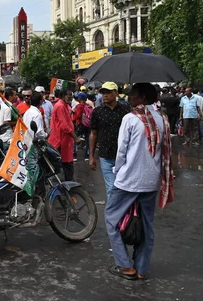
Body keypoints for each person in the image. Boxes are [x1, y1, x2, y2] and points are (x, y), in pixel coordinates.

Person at [105, 83, 172, 281]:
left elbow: (121, 152)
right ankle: (142, 268)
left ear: (142, 96)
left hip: (128, 180)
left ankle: (125, 265)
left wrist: (117, 171)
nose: (129, 97)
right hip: (152, 180)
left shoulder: (130, 118)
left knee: (111, 220)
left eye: (132, 94)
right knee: (147, 224)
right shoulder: (162, 118)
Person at [89, 82, 130, 199]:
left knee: (124, 187)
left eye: (108, 92)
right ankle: (113, 216)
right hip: (105, 155)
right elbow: (93, 134)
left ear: (116, 93)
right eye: (103, 93)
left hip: (124, 155)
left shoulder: (126, 110)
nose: (105, 95)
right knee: (111, 188)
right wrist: (91, 156)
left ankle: (124, 215)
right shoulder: (97, 112)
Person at [49, 89, 80, 181]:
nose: (71, 97)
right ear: (63, 95)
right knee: (66, 164)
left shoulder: (64, 105)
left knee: (66, 164)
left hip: (65, 139)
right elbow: (64, 125)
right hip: (61, 139)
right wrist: (75, 137)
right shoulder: (60, 106)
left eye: (71, 94)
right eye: (69, 94)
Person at [73, 92, 92, 161]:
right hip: (88, 124)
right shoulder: (87, 105)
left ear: (79, 98)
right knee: (88, 140)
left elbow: (78, 116)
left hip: (80, 124)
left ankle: (74, 155)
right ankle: (87, 156)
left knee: (75, 138)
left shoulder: (79, 106)